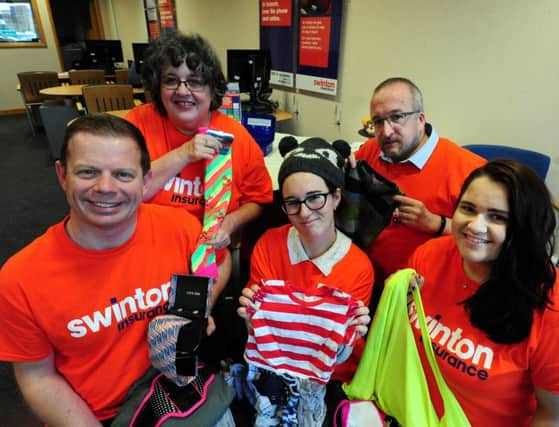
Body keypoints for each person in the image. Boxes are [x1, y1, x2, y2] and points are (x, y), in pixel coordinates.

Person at [0, 114, 210, 426]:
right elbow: (37, 379)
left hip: (180, 394)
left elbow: (210, 270)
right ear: (62, 175)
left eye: (123, 175)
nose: (105, 187)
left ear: (146, 180)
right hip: (98, 416)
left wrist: (201, 310)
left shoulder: (181, 228)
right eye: (88, 172)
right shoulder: (19, 279)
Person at [407, 159, 559, 426]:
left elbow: (554, 419)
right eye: (468, 208)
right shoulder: (429, 256)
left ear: (525, 227)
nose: (474, 226)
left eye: (498, 217)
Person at [125, 32, 273, 304]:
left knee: (189, 325)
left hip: (207, 258)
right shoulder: (136, 126)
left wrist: (230, 223)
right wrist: (183, 154)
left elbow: (259, 199)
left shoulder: (236, 137)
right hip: (142, 252)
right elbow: (124, 193)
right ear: (158, 86)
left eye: (194, 81)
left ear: (212, 89)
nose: (182, 91)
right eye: (171, 80)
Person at [237, 138, 373, 425]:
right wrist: (253, 321)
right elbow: (262, 333)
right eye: (292, 203)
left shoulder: (358, 266)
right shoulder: (269, 244)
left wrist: (343, 341)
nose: (304, 212)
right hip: (272, 372)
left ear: (336, 197)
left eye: (315, 198)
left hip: (329, 379)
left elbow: (339, 358)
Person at [355, 77, 485, 288]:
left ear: (420, 119)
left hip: (426, 291)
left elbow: (497, 237)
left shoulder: (469, 170)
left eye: (397, 117)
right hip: (370, 280)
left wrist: (435, 224)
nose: (386, 132)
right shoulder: (370, 151)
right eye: (378, 121)